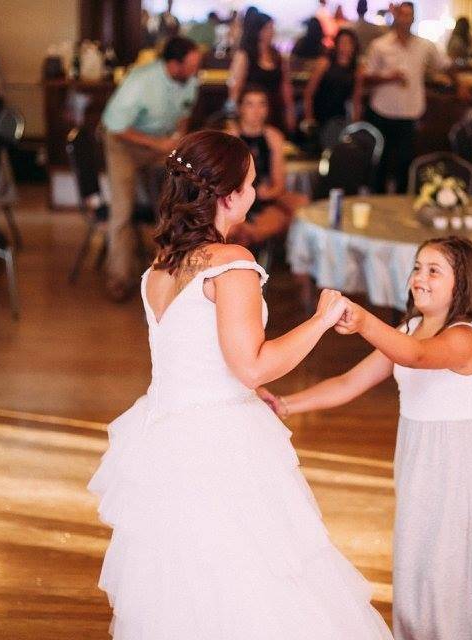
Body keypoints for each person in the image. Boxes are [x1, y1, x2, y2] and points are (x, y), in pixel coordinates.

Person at [88, 130, 393, 639]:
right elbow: (251, 367)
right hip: (219, 443)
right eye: (251, 183)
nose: (255, 192)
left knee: (184, 582)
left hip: (164, 436)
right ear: (228, 195)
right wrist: (320, 320)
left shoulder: (160, 267)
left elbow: (198, 358)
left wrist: (243, 390)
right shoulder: (232, 265)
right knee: (256, 579)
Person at [259, 236, 472, 640]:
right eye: (417, 267)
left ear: (464, 284)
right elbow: (351, 381)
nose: (419, 278)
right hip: (420, 454)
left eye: (433, 270)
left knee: (450, 565)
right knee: (416, 557)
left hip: (464, 459)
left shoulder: (465, 338)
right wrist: (285, 404)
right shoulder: (410, 329)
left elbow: (416, 357)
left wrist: (365, 321)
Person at [101, 36, 201, 301]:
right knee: (123, 210)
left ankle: (173, 271)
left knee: (176, 202)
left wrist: (178, 135)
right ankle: (119, 279)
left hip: (160, 144)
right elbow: (115, 125)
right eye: (192, 65)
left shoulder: (189, 80)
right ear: (174, 64)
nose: (196, 70)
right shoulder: (140, 82)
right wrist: (157, 143)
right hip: (124, 143)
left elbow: (185, 111)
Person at [364, 2, 445, 193]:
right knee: (380, 162)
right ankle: (377, 203)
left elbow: (442, 65)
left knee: (405, 162)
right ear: (396, 17)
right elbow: (367, 76)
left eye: (409, 15)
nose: (405, 19)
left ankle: (400, 203)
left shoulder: (425, 45)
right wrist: (388, 77)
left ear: (414, 18)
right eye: (402, 15)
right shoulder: (380, 45)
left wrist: (458, 81)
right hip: (382, 110)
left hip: (409, 112)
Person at [226, 86, 308, 246]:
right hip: (235, 197)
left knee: (300, 202)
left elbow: (279, 184)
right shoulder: (230, 137)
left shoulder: (274, 136)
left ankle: (251, 233)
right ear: (240, 108)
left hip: (265, 196)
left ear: (267, 109)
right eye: (250, 104)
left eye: (261, 104)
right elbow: (222, 182)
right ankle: (247, 234)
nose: (256, 110)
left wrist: (267, 193)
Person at [228, 12, 297, 134]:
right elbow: (235, 87)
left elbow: (285, 85)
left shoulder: (277, 56)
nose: (271, 32)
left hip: (274, 109)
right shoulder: (245, 55)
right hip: (251, 110)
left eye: (272, 28)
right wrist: (234, 113)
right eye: (268, 28)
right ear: (257, 30)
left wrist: (290, 110)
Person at [302, 27, 364, 148]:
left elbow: (356, 99)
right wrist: (309, 117)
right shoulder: (325, 63)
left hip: (339, 115)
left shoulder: (356, 69)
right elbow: (309, 92)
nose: (345, 46)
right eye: (342, 42)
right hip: (320, 110)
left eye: (348, 43)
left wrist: (356, 123)